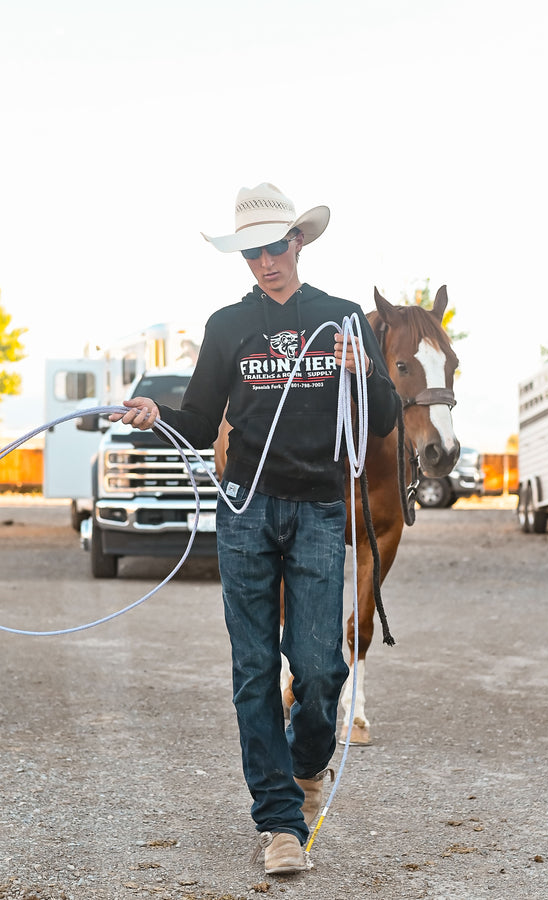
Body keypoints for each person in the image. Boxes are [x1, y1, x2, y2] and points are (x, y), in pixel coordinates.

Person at [109, 183, 398, 875]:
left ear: (299, 242)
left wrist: (366, 377)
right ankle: (278, 824)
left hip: (322, 509)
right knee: (253, 670)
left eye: (275, 247)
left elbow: (383, 420)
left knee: (323, 668)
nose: (265, 262)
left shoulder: (344, 319)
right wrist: (156, 418)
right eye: (251, 252)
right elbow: (198, 423)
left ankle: (305, 769)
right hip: (245, 511)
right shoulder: (227, 327)